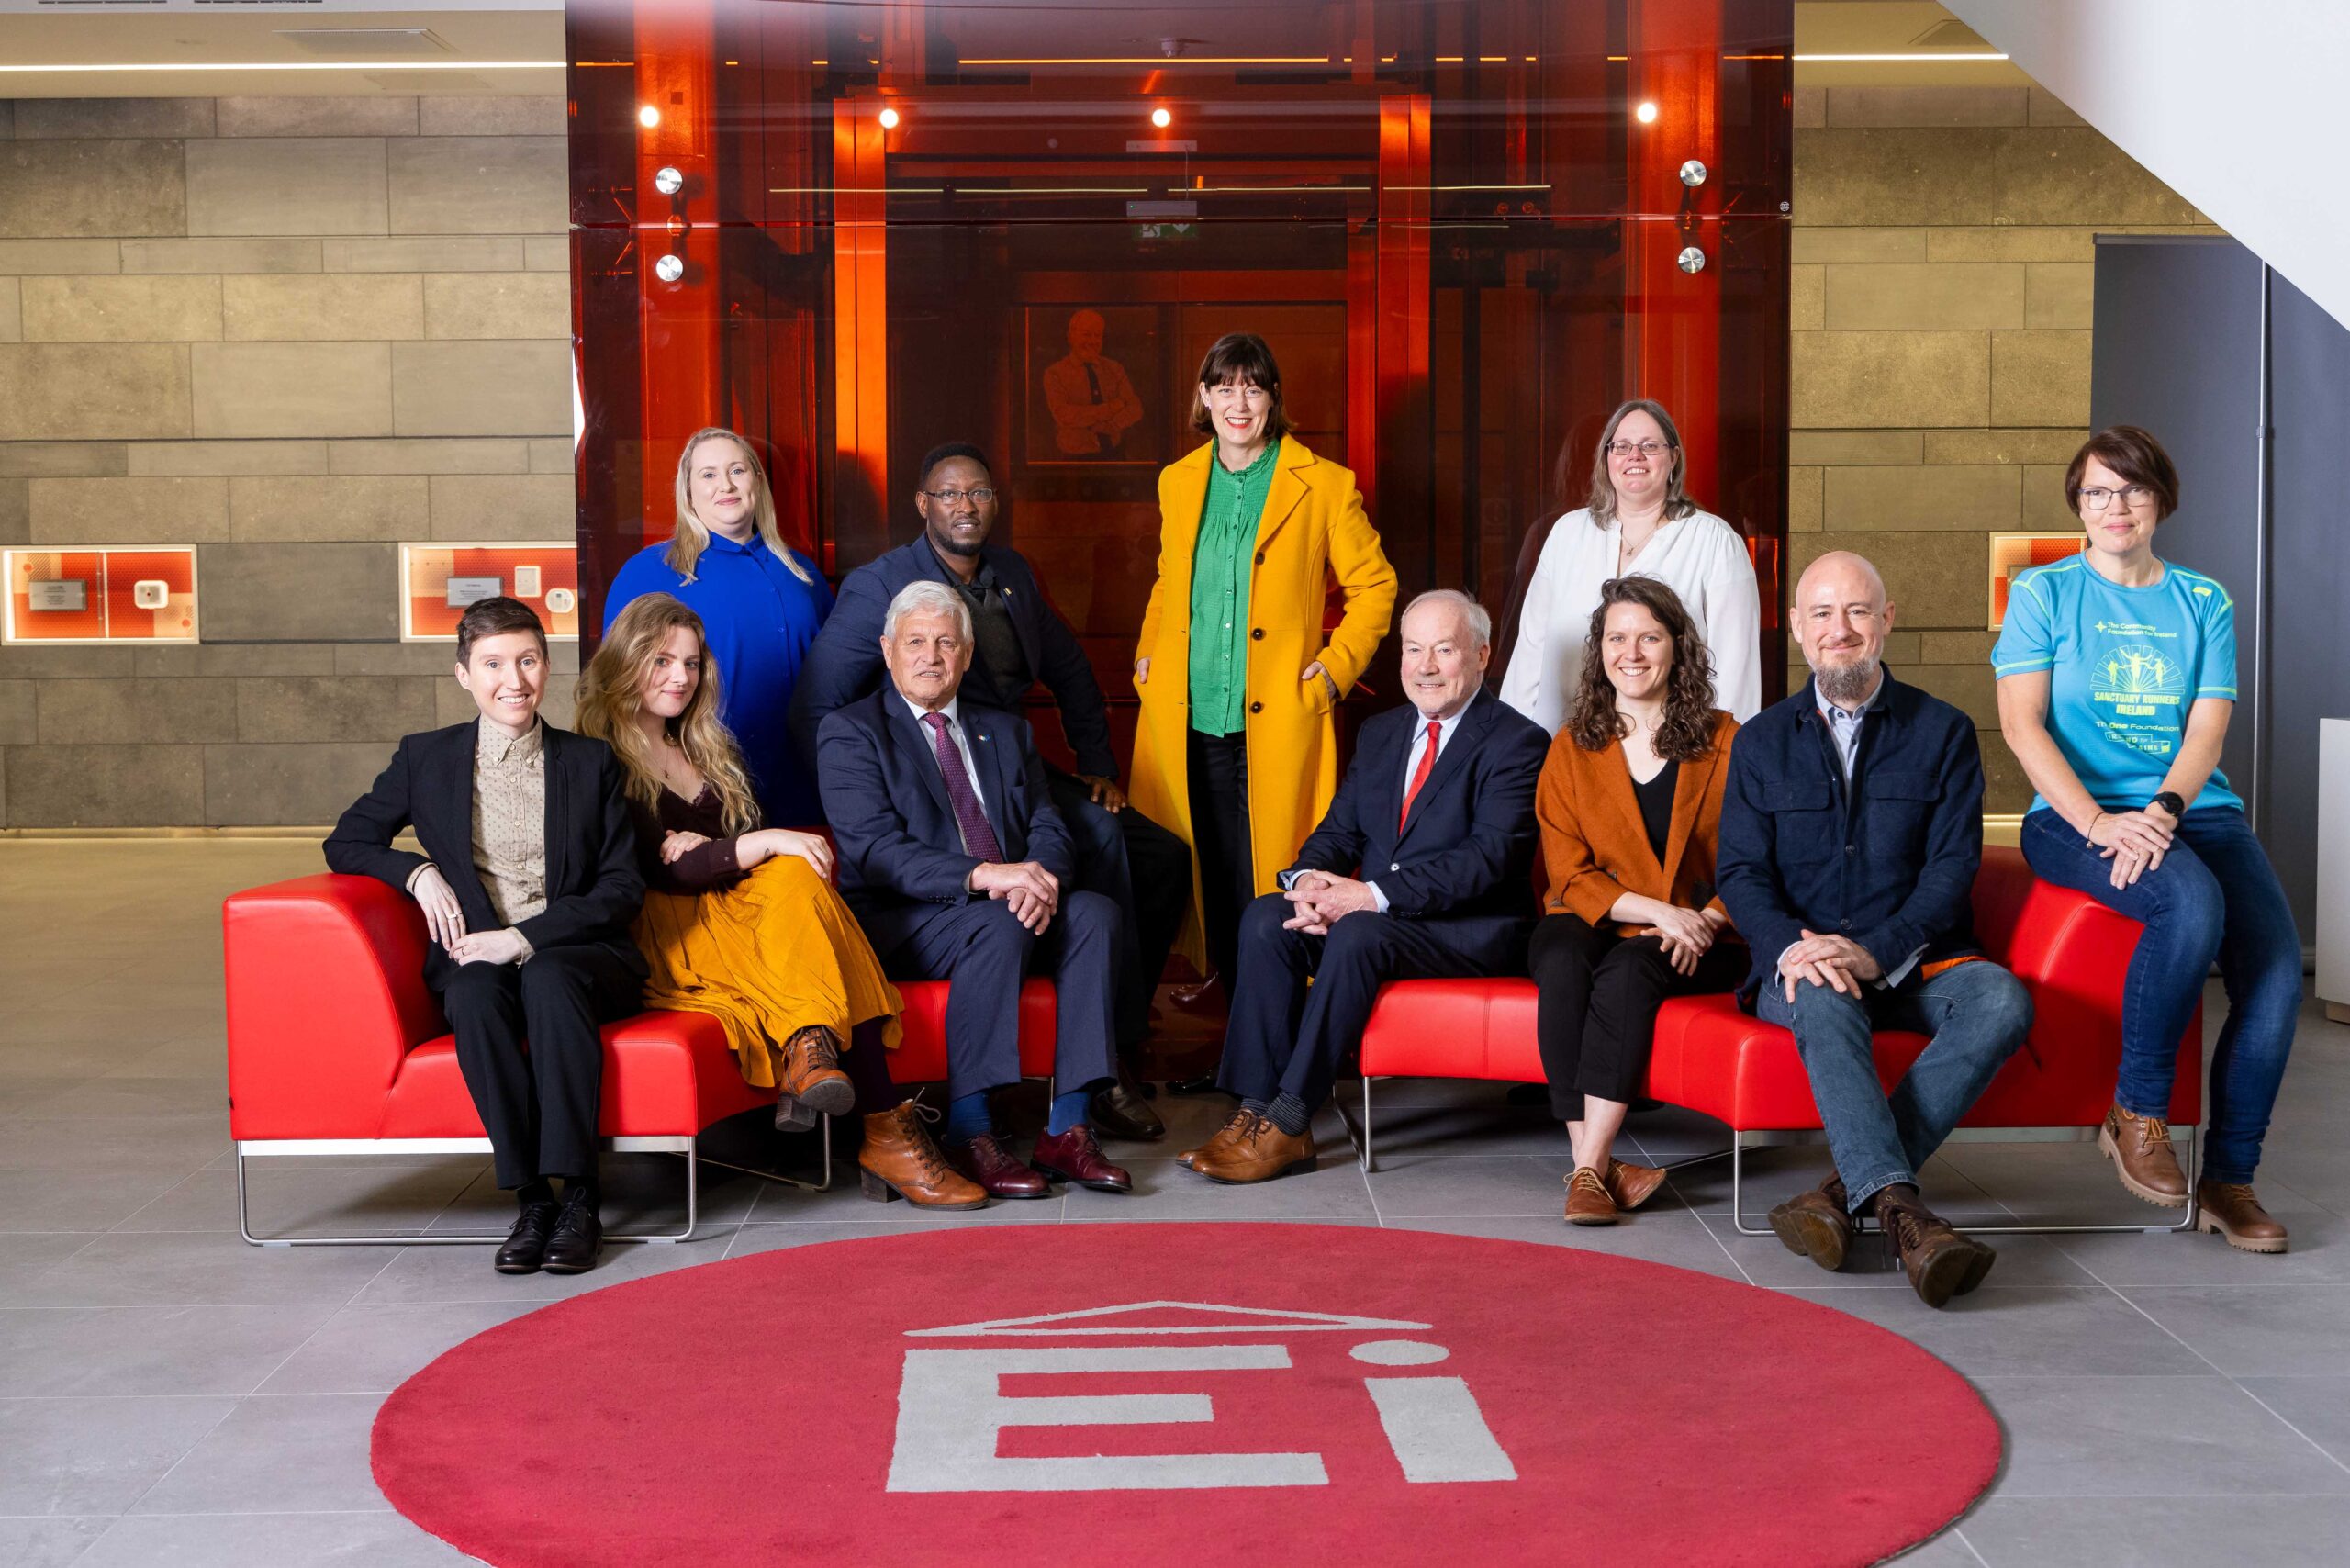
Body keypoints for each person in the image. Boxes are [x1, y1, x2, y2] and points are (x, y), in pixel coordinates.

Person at [788, 442, 1187, 1138]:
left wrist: (1098, 766)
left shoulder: (1012, 576)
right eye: (949, 495)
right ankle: (1105, 1069)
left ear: (994, 503)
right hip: (925, 781)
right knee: (1097, 842)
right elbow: (817, 702)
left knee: (1160, 855)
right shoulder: (882, 586)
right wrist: (858, 797)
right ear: (923, 504)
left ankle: (1115, 1032)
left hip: (1002, 761)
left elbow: (1068, 668)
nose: (964, 507)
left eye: (977, 493)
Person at [1994, 427, 2299, 1254]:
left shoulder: (2204, 600)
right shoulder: (2044, 593)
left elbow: (2208, 728)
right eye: (2097, 492)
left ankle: (2230, 1181)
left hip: (2191, 808)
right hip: (2069, 817)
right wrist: (2099, 821)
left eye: (2131, 490)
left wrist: (2163, 810)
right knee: (2188, 902)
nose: (2115, 507)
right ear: (2078, 506)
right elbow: (2022, 726)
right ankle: (2138, 1109)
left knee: (2274, 973)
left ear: (2160, 499)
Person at [1717, 551, 2034, 1309]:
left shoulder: (1944, 732)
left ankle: (1838, 1193)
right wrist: (1795, 947)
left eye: (1857, 611)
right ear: (1796, 629)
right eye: (1821, 614)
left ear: (1886, 621)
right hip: (1804, 966)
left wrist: (1877, 950)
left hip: (1919, 962)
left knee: (2000, 1001)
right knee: (1822, 995)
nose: (1840, 629)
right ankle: (1903, 1216)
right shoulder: (1760, 742)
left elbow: (1951, 868)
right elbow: (1740, 874)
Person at [325, 597, 644, 1277]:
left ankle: (581, 1198)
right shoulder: (426, 758)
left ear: (547, 666)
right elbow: (346, 841)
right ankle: (532, 1200)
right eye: (494, 664)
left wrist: (525, 938)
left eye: (528, 660)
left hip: (580, 953)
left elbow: (620, 889)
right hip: (477, 954)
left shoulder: (590, 763)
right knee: (470, 995)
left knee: (551, 979)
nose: (515, 680)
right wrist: (415, 873)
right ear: (464, 674)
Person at [1183, 591, 1549, 1183]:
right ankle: (1254, 1110)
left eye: (1444, 649)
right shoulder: (1382, 733)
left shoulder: (1518, 741)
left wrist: (1368, 895)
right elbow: (1339, 832)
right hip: (1382, 923)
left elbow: (1489, 860)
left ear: (1482, 654)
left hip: (1470, 931)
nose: (1425, 665)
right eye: (1413, 649)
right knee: (1264, 917)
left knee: (1356, 934)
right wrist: (1307, 884)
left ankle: (1292, 1118)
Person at [818, 580, 1132, 1202]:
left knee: (1094, 912)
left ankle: (1067, 1127)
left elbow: (1047, 824)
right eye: (915, 642)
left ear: (964, 655)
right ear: (887, 650)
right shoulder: (850, 732)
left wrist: (1039, 878)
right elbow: (876, 852)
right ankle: (970, 1128)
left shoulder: (1005, 731)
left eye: (945, 642)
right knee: (1000, 921)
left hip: (1003, 905)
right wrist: (987, 877)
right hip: (903, 918)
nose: (930, 656)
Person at [1128, 330, 1399, 1026]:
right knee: (1209, 872)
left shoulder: (1323, 484)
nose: (1238, 401)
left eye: (1252, 386)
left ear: (1274, 398)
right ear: (1204, 397)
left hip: (1277, 715)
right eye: (1224, 386)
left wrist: (1335, 671)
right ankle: (1230, 1015)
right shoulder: (1179, 480)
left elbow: (1375, 585)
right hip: (1191, 713)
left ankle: (1279, 1024)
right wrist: (1149, 652)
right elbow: (1168, 580)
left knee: (1270, 870)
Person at [575, 593, 902, 1134]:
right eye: (662, 660)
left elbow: (730, 850)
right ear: (627, 660)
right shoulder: (599, 754)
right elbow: (669, 871)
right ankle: (883, 1125)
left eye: (691, 663)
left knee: (794, 880)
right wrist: (758, 843)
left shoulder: (704, 745)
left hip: (736, 907)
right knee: (798, 884)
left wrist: (720, 850)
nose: (680, 677)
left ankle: (809, 1057)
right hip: (673, 927)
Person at [1529, 576, 1744, 1226]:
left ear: (1678, 647)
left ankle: (1588, 1172)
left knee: (1627, 969)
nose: (1633, 652)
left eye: (1650, 636)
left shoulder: (1726, 739)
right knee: (1562, 957)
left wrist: (1704, 920)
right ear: (1600, 652)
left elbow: (1754, 855)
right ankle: (1593, 1167)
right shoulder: (1572, 746)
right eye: (1617, 638)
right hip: (1603, 915)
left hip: (1700, 934)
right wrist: (1655, 911)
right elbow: (1566, 872)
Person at [604, 427, 834, 828]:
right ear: (688, 492)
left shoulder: (802, 573)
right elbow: (615, 695)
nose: (725, 485)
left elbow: (837, 678)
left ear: (757, 482)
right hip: (703, 789)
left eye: (737, 470)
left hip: (805, 784)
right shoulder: (648, 572)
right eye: (707, 474)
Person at [1499, 398, 1762, 728]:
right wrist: (1513, 743)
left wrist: (1726, 759)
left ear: (1673, 458)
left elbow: (1736, 671)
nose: (1634, 456)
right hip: (1565, 743)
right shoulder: (1567, 533)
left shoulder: (1714, 540)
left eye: (1650, 446)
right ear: (1606, 458)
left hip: (1673, 747)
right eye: (1621, 446)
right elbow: (1530, 653)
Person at [1043, 308, 1146, 457]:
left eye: (1097, 335)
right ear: (1071, 336)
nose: (1092, 341)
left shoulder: (1114, 368)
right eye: (1086, 335)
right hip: (1072, 461)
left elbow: (1135, 407)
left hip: (1115, 455)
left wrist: (1113, 425)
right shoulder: (1054, 374)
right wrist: (1111, 408)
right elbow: (1064, 415)